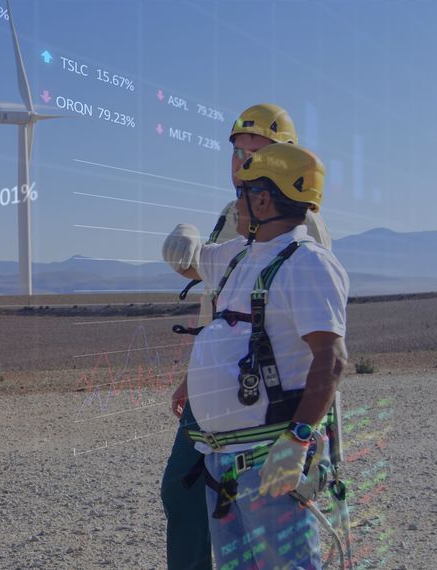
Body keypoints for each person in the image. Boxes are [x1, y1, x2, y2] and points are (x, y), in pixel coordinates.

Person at [167, 142, 348, 569]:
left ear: (264, 199)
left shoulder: (307, 264)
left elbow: (331, 359)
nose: (236, 204)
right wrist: (183, 240)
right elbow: (192, 263)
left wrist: (298, 440)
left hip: (270, 465)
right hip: (224, 465)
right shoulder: (240, 256)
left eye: (242, 194)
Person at [159, 103, 302, 570]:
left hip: (262, 395)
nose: (243, 164)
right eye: (238, 153)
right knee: (184, 490)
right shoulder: (232, 213)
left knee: (258, 517)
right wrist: (193, 379)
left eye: (255, 153)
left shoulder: (300, 225)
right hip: (217, 385)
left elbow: (310, 328)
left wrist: (302, 430)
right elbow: (218, 293)